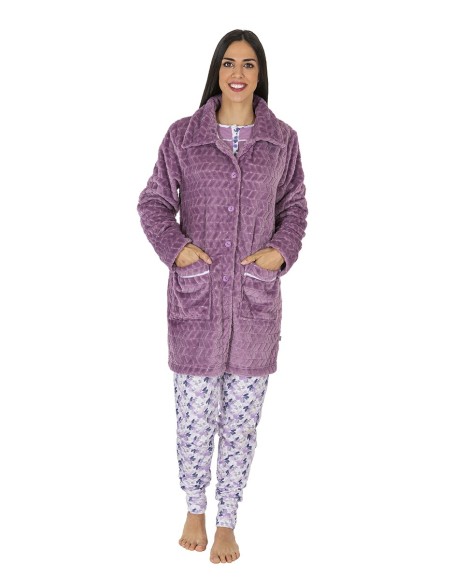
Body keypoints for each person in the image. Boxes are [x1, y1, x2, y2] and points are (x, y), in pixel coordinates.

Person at [136, 29, 308, 564]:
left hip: (254, 306)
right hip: (198, 303)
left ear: (260, 74)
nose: (238, 73)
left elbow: (295, 207)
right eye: (230, 63)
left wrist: (279, 252)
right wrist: (179, 251)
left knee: (240, 422)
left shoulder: (282, 141)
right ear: (217, 70)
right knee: (194, 416)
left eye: (249, 64)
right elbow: (153, 202)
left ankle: (228, 518)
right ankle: (194, 508)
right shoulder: (183, 136)